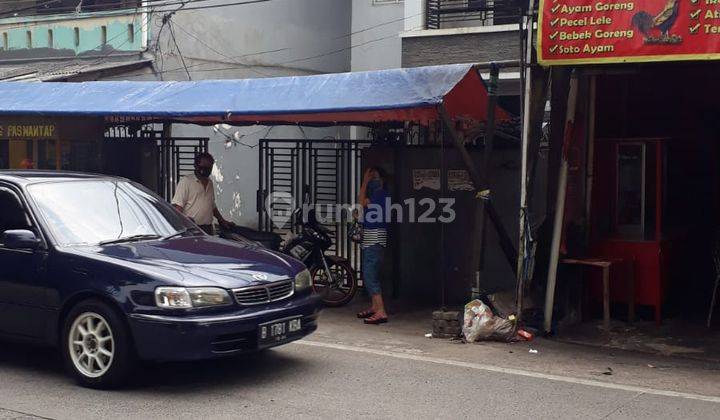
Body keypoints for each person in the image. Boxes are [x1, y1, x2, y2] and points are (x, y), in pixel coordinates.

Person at [356, 167, 390, 325]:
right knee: (370, 273)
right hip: (372, 239)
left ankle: (380, 311)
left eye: (374, 177)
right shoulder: (379, 195)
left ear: (381, 180)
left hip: (375, 239)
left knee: (370, 275)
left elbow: (361, 201)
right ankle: (375, 307)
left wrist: (364, 181)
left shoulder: (380, 194)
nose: (372, 180)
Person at [172, 152, 234, 235]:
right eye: (203, 166)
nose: (205, 169)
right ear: (196, 166)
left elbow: (211, 205)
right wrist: (179, 226)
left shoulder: (210, 183)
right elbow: (177, 207)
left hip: (208, 229)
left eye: (209, 167)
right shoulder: (186, 181)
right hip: (191, 229)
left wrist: (221, 220)